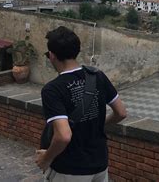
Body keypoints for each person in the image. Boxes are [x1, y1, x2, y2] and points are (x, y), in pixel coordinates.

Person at [35, 26, 127, 181]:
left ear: (51, 55)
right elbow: (121, 112)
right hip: (100, 163)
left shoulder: (52, 89)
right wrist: (99, 125)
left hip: (70, 169)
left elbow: (63, 136)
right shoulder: (97, 76)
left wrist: (46, 158)